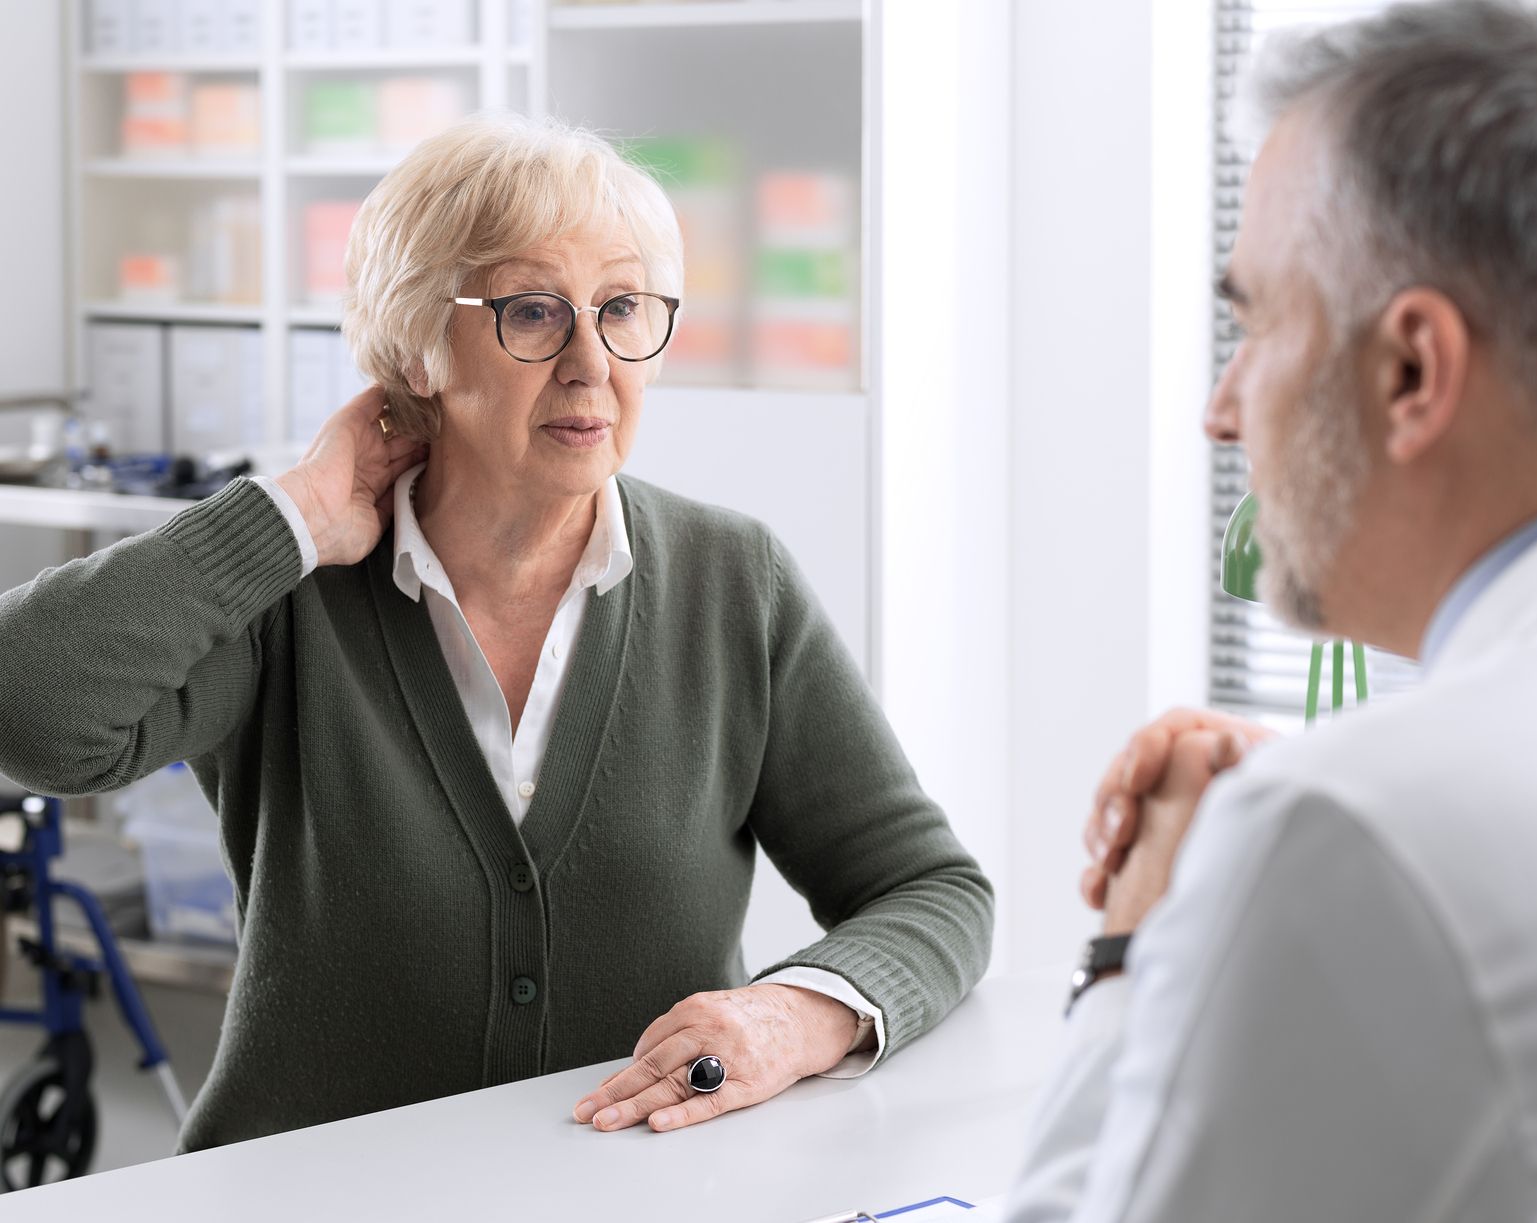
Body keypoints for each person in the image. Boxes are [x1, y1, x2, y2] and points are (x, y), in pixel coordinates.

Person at [0, 115, 993, 1152]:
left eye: (622, 309)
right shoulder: (287, 595)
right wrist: (288, 517)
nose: (590, 363)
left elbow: (932, 888)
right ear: (418, 344)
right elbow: (25, 709)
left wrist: (801, 1010)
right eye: (532, 312)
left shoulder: (731, 581)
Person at [1009, 2, 1537, 1218]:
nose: (1222, 410)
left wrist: (1144, 940)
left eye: (1255, 320)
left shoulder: (1342, 829)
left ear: (1410, 371)